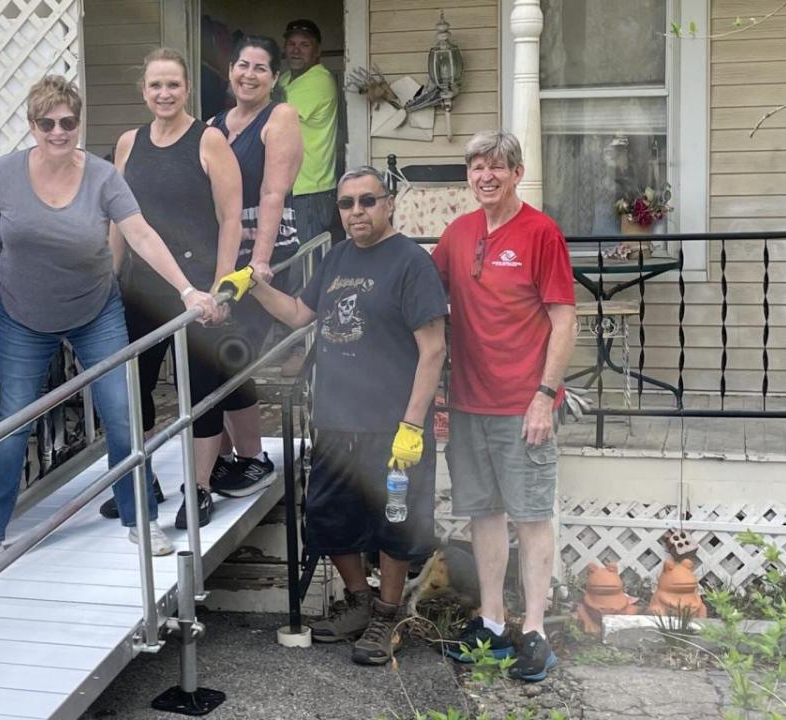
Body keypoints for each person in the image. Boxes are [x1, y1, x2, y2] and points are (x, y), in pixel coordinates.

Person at [0, 76, 221, 575]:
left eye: (68, 122)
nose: (58, 131)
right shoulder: (6, 173)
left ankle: (138, 517)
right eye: (47, 123)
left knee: (122, 416)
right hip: (24, 314)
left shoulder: (102, 176)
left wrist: (188, 289)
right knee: (13, 424)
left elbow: (139, 233)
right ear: (32, 125)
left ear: (78, 122)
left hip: (95, 310)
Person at [222, 166, 447, 665]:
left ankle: (388, 616)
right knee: (328, 517)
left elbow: (433, 350)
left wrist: (412, 424)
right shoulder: (338, 258)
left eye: (367, 201)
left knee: (396, 522)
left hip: (392, 426)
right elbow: (301, 314)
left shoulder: (412, 263)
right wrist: (255, 286)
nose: (356, 212)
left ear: (389, 205)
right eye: (347, 204)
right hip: (335, 419)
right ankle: (360, 602)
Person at [432, 129, 576, 682]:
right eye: (475, 168)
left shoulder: (540, 232)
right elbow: (427, 291)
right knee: (484, 513)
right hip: (468, 403)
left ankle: (534, 630)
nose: (484, 177)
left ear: (517, 172)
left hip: (524, 404)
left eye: (496, 167)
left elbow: (564, 319)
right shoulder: (459, 232)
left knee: (531, 516)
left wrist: (545, 396)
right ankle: (491, 622)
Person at [99, 47, 243, 530]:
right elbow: (121, 222)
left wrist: (223, 287)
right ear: (144, 91)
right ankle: (142, 480)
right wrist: (110, 279)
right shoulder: (127, 143)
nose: (164, 94)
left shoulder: (210, 141)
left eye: (173, 85)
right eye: (155, 85)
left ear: (186, 89)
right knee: (130, 390)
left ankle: (199, 489)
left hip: (199, 287)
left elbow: (230, 220)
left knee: (199, 389)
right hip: (141, 287)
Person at [207, 34, 303, 499]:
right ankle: (221, 454)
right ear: (230, 70)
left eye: (260, 68)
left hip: (264, 256)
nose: (249, 74)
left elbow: (272, 193)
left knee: (232, 354)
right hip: (220, 256)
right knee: (206, 357)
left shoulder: (279, 117)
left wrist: (260, 261)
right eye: (242, 65)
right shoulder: (212, 124)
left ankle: (253, 457)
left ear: (275, 77)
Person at [277, 18, 339, 377]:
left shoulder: (319, 81)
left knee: (305, 273)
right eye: (292, 43)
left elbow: (272, 115)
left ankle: (305, 351)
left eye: (304, 44)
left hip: (311, 190)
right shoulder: (286, 80)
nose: (296, 49)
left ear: (317, 50)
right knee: (285, 270)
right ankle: (292, 345)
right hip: (286, 191)